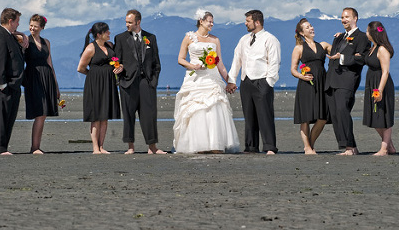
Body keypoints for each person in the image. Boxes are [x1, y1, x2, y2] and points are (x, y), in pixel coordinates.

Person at [172, 9, 241, 154]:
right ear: (201, 21)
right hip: (195, 79)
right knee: (196, 110)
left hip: (212, 78)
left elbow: (220, 63)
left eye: (213, 22)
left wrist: (229, 81)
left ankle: (216, 144)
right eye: (209, 21)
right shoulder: (189, 38)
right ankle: (198, 145)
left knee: (214, 109)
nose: (212, 24)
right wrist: (192, 66)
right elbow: (180, 59)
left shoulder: (215, 40)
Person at [226, 10, 282, 155]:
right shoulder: (244, 39)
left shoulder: (270, 39)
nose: (245, 23)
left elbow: (274, 62)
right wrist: (231, 80)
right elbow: (237, 60)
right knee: (249, 117)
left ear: (257, 22)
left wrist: (269, 82)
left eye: (248, 21)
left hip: (262, 81)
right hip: (246, 82)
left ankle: (270, 147)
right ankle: (251, 147)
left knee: (265, 115)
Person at [113, 9, 166, 155]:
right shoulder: (120, 38)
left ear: (138, 22)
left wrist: (153, 81)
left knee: (149, 115)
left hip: (146, 82)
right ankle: (130, 147)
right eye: (126, 22)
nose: (127, 25)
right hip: (127, 82)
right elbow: (116, 59)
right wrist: (119, 71)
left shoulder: (151, 38)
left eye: (130, 22)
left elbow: (156, 62)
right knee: (128, 115)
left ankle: (152, 147)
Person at [324, 7, 371, 156]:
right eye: (342, 17)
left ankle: (349, 147)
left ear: (355, 18)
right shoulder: (338, 37)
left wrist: (343, 58)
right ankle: (349, 147)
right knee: (335, 114)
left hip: (347, 80)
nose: (344, 20)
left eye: (347, 17)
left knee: (342, 110)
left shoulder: (362, 37)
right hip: (332, 80)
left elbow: (362, 59)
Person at [0, 7, 27, 155]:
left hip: (13, 84)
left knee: (9, 117)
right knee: (1, 116)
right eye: (17, 21)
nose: (18, 24)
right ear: (10, 21)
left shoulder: (9, 36)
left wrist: (22, 36)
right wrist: (2, 84)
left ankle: (3, 146)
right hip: (4, 84)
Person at [77, 22, 122, 154]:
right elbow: (81, 68)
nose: (109, 33)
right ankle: (95, 148)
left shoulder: (110, 45)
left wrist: (119, 66)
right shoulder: (91, 48)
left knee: (104, 116)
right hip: (94, 85)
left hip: (109, 83)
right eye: (106, 31)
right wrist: (94, 75)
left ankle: (101, 146)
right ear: (99, 34)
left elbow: (117, 62)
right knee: (96, 117)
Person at [290, 18, 331, 154]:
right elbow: (293, 69)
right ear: (302, 33)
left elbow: (338, 53)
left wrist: (340, 38)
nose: (311, 28)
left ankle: (310, 145)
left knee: (323, 118)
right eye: (307, 27)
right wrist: (302, 76)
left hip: (322, 84)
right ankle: (307, 147)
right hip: (306, 85)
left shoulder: (323, 45)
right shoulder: (299, 48)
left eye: (311, 26)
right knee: (305, 118)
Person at [23, 14, 60, 154]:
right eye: (31, 25)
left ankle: (36, 146)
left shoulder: (46, 42)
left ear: (42, 28)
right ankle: (34, 147)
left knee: (43, 114)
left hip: (47, 77)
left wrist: (56, 85)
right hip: (33, 77)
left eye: (35, 26)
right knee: (39, 112)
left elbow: (50, 63)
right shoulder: (25, 40)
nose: (32, 28)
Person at [363, 21, 396, 156]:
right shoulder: (372, 48)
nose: (366, 33)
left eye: (367, 31)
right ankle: (390, 146)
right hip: (371, 83)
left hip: (381, 84)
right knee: (374, 117)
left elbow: (385, 72)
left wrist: (380, 90)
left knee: (383, 115)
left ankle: (384, 149)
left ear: (373, 33)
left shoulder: (382, 49)